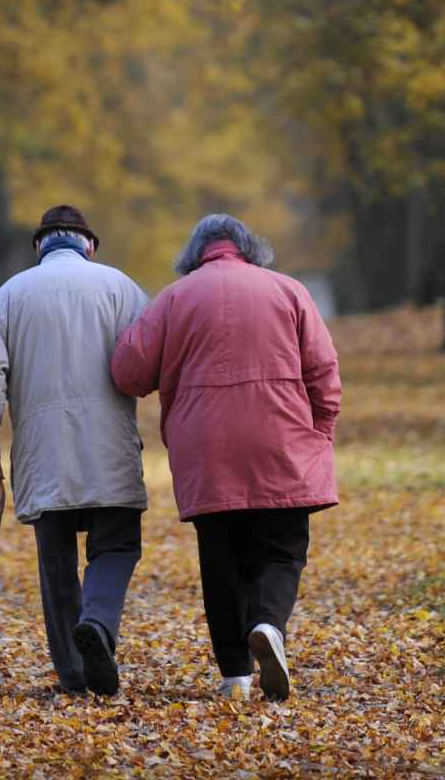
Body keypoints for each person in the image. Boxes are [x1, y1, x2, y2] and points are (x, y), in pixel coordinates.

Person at [110, 213, 341, 702]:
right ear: (249, 248)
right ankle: (268, 624)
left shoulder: (173, 298)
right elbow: (323, 370)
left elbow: (129, 373)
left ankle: (235, 674)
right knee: (283, 547)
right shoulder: (289, 291)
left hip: (205, 447)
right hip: (280, 437)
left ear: (195, 255)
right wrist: (320, 432)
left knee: (220, 559)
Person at [0, 204, 151, 696]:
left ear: (39, 246)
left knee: (57, 562)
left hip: (43, 452)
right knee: (117, 546)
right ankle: (98, 624)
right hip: (110, 445)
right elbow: (151, 361)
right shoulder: (121, 288)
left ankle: (75, 673)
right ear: (90, 245)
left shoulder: (11, 294)